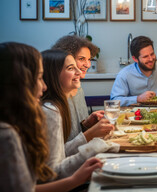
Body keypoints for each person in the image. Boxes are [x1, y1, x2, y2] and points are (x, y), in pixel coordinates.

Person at [0, 42, 102, 192]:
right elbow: (51, 172)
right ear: (20, 82)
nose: (44, 86)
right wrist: (95, 145)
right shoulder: (8, 133)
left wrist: (87, 128)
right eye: (39, 77)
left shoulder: (26, 117)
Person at [41, 49, 117, 179]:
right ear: (53, 74)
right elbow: (54, 172)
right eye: (71, 68)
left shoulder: (58, 105)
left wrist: (87, 127)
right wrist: (94, 141)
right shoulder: (50, 110)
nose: (79, 72)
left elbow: (61, 152)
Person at [52, 35, 113, 142]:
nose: (88, 64)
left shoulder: (78, 88)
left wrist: (87, 123)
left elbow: (77, 134)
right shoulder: (53, 100)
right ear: (64, 60)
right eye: (81, 59)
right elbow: (61, 151)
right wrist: (91, 132)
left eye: (89, 59)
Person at [111, 36, 157, 106]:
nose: (151, 59)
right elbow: (114, 102)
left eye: (152, 54)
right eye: (145, 56)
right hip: (134, 115)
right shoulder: (124, 74)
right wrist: (138, 98)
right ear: (135, 59)